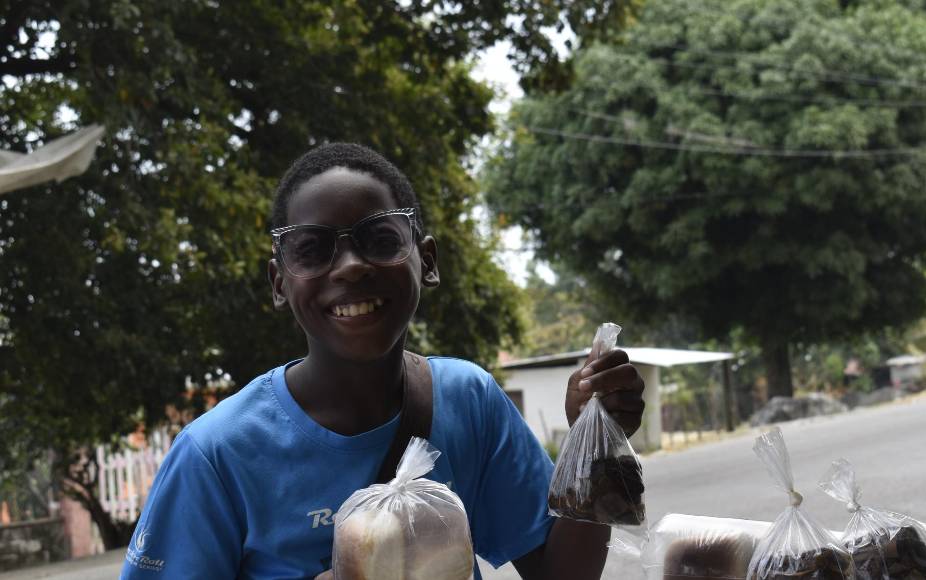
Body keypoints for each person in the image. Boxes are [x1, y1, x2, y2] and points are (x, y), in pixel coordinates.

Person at [120, 143, 645, 579]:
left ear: (428, 261)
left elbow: (559, 575)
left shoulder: (468, 401)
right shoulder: (217, 455)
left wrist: (591, 442)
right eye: (312, 249)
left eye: (380, 239)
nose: (350, 266)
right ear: (280, 284)